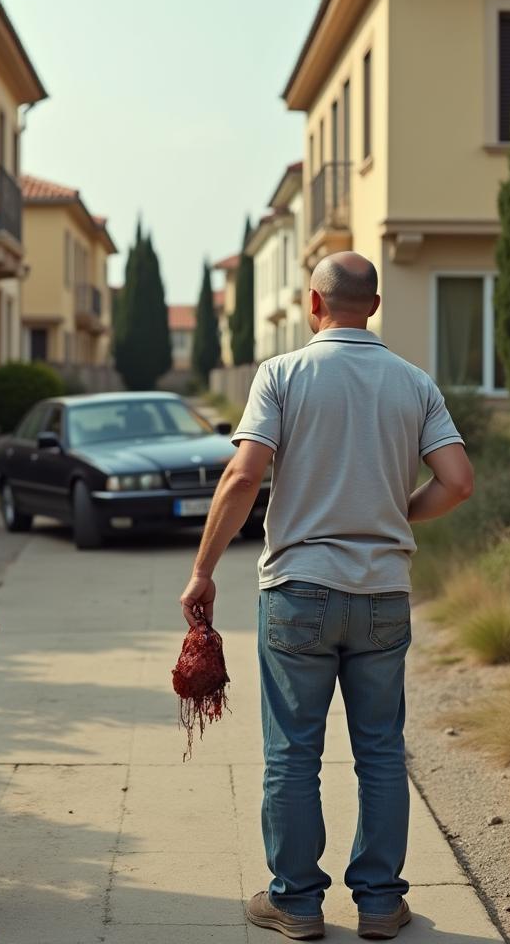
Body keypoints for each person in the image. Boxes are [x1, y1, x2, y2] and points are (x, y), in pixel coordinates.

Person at [180, 252, 473, 941]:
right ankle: (378, 904)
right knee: (379, 751)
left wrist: (203, 570)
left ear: (313, 306)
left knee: (292, 755)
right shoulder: (412, 381)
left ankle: (298, 904)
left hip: (298, 592)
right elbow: (458, 481)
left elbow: (244, 475)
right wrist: (396, 514)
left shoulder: (282, 374)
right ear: (371, 306)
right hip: (382, 594)